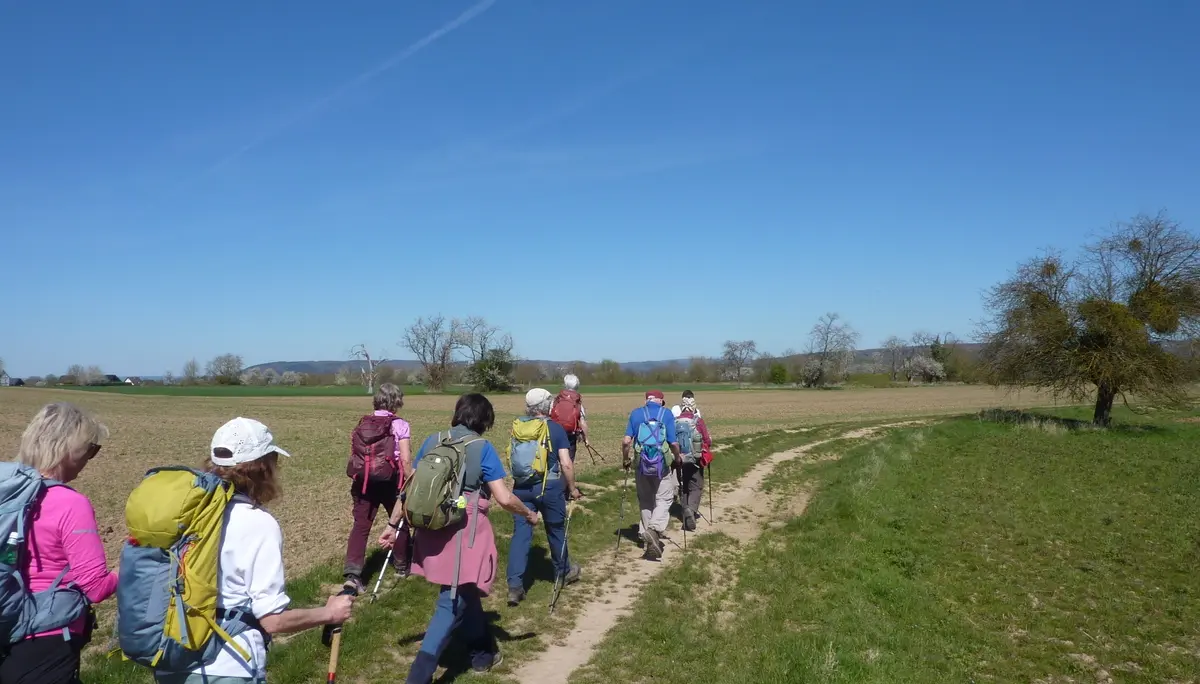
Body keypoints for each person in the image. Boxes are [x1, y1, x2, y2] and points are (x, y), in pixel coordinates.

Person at [154, 417, 355, 684]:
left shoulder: (182, 512)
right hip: (228, 666)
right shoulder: (258, 523)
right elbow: (273, 621)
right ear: (263, 468)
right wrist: (330, 613)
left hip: (171, 658)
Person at [378, 394, 540, 684]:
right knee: (451, 600)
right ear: (484, 421)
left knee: (465, 590)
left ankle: (481, 653)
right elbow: (503, 497)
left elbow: (410, 488)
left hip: (431, 526)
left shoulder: (433, 440)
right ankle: (418, 676)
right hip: (465, 529)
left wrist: (393, 524)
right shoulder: (482, 447)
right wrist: (528, 513)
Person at [1, 402, 117, 684]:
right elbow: (95, 587)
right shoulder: (70, 503)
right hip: (48, 637)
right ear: (68, 449)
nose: (91, 458)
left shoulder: (6, 493)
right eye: (90, 449)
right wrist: (131, 566)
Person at [506, 388, 582, 606]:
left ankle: (514, 586)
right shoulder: (555, 429)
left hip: (521, 488)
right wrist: (573, 488)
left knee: (521, 534)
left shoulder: (518, 427)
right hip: (549, 488)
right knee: (556, 529)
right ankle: (564, 571)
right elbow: (566, 463)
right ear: (547, 406)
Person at [342, 382, 413, 593]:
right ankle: (401, 566)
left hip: (363, 482)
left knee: (361, 526)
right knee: (399, 521)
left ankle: (353, 575)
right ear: (396, 401)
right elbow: (406, 459)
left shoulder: (363, 423)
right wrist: (410, 481)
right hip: (391, 480)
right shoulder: (400, 425)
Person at [621, 390, 680, 560]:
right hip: (661, 466)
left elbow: (626, 441)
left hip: (642, 465)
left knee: (646, 500)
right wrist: (677, 458)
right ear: (661, 401)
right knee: (665, 498)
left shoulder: (636, 414)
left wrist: (626, 459)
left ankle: (649, 540)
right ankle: (653, 530)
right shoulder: (666, 414)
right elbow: (673, 443)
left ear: (647, 400)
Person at [671, 392, 712, 531]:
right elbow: (706, 440)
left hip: (679, 459)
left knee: (684, 485)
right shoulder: (697, 421)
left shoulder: (674, 421)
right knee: (696, 485)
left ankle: (685, 510)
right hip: (695, 459)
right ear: (693, 408)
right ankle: (691, 510)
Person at [549, 374, 589, 462]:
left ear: (565, 385)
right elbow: (583, 423)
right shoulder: (578, 403)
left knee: (552, 462)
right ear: (577, 386)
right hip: (570, 435)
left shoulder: (556, 400)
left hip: (553, 434)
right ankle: (565, 475)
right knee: (568, 462)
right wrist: (586, 439)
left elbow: (548, 415)